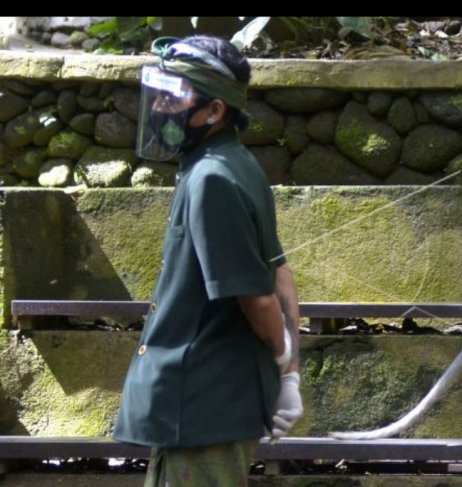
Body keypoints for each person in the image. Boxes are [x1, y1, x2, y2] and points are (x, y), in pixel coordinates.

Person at [113, 35, 303, 486]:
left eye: (171, 96)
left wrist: (285, 367)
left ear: (214, 111)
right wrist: (289, 376)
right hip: (211, 405)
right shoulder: (236, 163)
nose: (158, 107)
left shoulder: (211, 179)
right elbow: (281, 271)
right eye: (157, 93)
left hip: (201, 409)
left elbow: (258, 297)